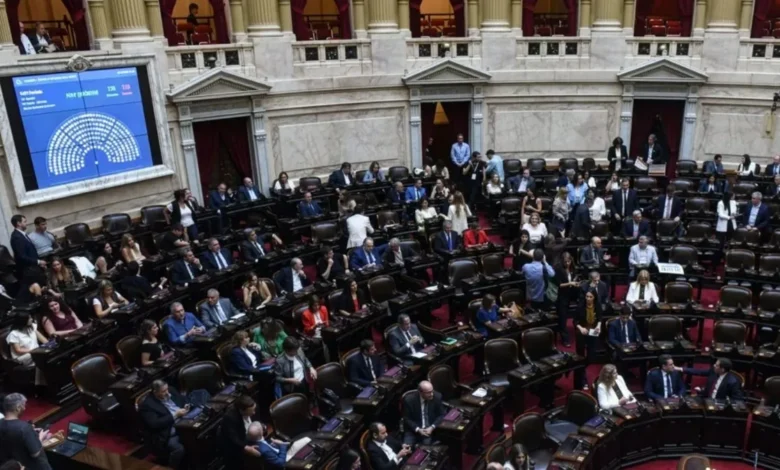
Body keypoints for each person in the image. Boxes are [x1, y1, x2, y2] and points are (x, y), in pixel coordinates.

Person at [138, 380, 189, 469]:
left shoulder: (171, 390)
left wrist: (186, 405)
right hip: (166, 432)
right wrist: (175, 415)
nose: (167, 392)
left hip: (183, 422)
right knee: (179, 449)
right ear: (155, 392)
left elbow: (182, 399)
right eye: (163, 391)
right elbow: (155, 424)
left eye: (167, 389)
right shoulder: (147, 405)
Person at [0, 394, 52, 470]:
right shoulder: (24, 428)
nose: (24, 408)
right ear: (18, 408)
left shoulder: (1, 423)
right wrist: (40, 437)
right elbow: (36, 453)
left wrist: (31, 434)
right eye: (23, 406)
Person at [218, 396, 258, 469]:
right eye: (251, 411)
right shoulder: (230, 418)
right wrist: (245, 447)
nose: (254, 412)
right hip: (234, 448)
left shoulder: (250, 409)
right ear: (242, 410)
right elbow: (233, 439)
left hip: (246, 438)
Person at [678, 358, 744, 400]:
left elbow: (737, 400)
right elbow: (699, 371)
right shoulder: (713, 371)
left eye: (716, 365)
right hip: (705, 399)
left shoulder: (733, 382)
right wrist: (681, 369)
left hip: (718, 405)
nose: (714, 366)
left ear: (722, 369)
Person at [402, 381, 445, 445]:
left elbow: (441, 415)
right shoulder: (409, 400)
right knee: (406, 449)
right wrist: (418, 429)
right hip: (413, 429)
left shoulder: (437, 396)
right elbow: (407, 418)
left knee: (426, 448)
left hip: (428, 430)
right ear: (420, 392)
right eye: (428, 392)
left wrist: (432, 427)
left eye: (432, 391)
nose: (432, 394)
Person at [575, 289, 602, 390]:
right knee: (580, 357)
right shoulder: (580, 306)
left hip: (592, 332)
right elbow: (575, 321)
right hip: (582, 332)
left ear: (594, 297)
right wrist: (581, 328)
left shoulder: (597, 305)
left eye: (590, 297)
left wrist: (599, 326)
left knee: (591, 358)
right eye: (587, 296)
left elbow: (599, 318)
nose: (588, 299)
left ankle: (580, 370)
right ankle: (583, 378)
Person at [555, 252, 579, 347]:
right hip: (561, 295)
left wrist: (576, 283)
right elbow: (559, 285)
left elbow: (575, 279)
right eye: (565, 262)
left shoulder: (573, 268)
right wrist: (570, 283)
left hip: (572, 293)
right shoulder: (558, 269)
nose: (567, 263)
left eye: (569, 261)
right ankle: (565, 338)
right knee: (563, 317)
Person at [715, 192, 738, 267]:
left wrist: (735, 214)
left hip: (731, 225)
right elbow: (720, 214)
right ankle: (719, 259)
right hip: (723, 225)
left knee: (730, 242)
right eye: (732, 196)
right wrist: (729, 217)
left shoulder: (733, 202)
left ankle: (729, 259)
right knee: (720, 244)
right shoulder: (720, 203)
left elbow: (735, 211)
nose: (734, 197)